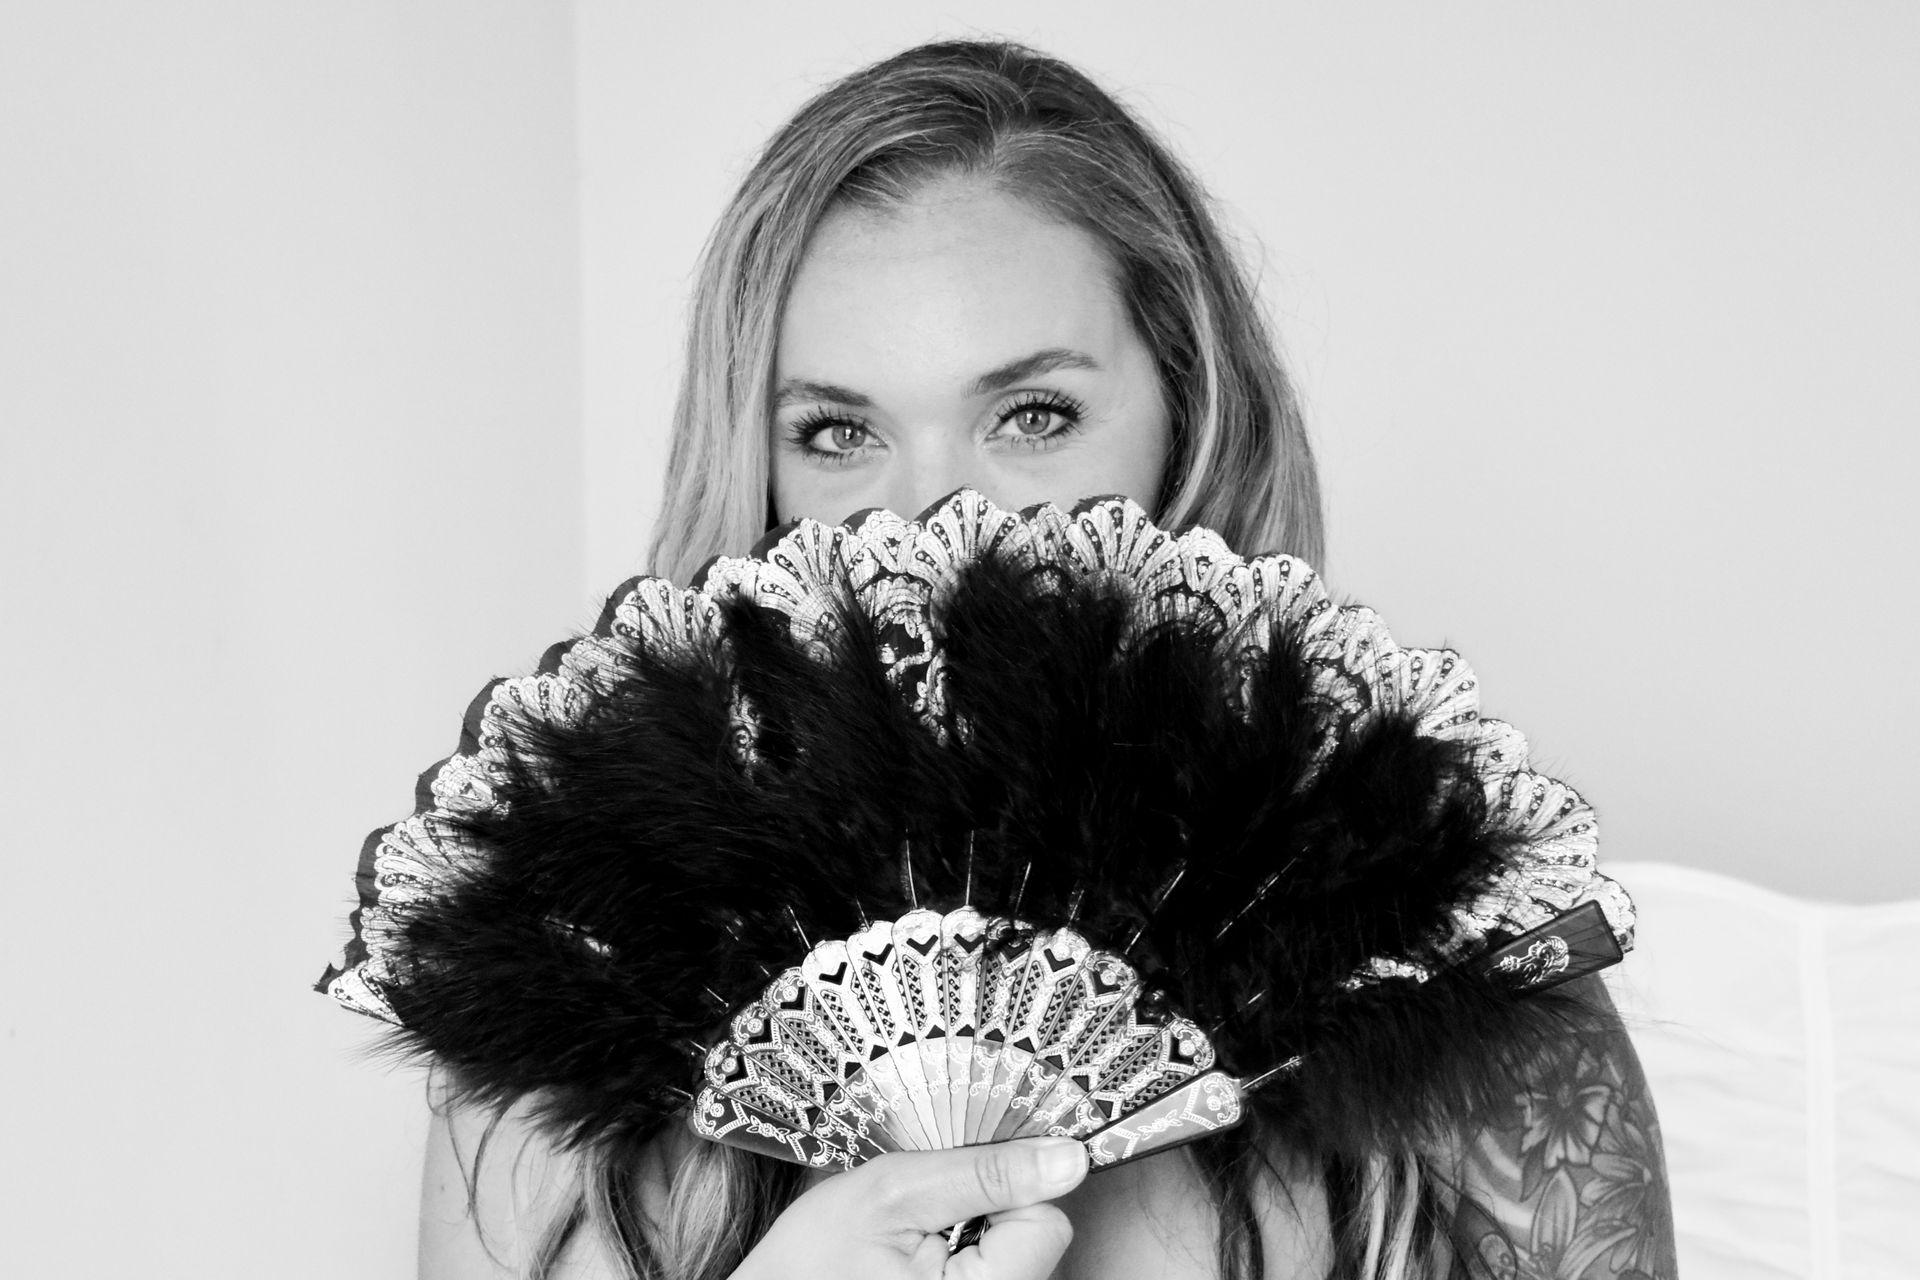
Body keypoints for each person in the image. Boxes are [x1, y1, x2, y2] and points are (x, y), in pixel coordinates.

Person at [420, 39, 1675, 1280]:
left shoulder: (1476, 992)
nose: (934, 523)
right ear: (755, 472)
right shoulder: (557, 1007)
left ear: (1192, 421)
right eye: (837, 431)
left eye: (1033, 416)